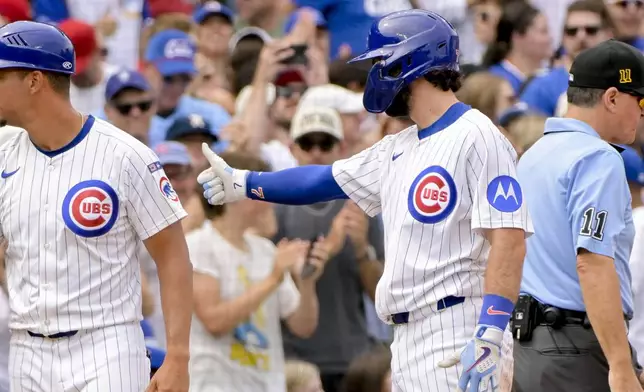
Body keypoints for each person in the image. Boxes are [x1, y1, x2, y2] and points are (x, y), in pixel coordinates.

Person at [197, 9, 531, 392]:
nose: (375, 74)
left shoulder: (477, 135)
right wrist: (245, 182)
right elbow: (323, 179)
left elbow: (508, 240)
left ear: (411, 62)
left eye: (380, 63)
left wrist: (490, 332)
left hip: (458, 326)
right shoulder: (399, 146)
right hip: (406, 339)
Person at [0, 21, 192, 391]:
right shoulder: (4, 151)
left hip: (105, 346)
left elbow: (173, 258)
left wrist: (179, 357)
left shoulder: (125, 155)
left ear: (34, 81)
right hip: (27, 349)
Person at [513, 39, 644, 392]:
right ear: (613, 98)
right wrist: (619, 365)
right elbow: (592, 262)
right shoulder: (598, 158)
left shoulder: (534, 154)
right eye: (641, 101)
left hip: (526, 348)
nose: (643, 113)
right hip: (574, 346)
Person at [188, 152, 327, 392]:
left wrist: (307, 282)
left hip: (267, 384)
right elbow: (214, 321)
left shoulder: (265, 250)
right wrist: (273, 278)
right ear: (234, 194)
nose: (270, 199)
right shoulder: (198, 245)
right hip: (214, 385)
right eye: (257, 190)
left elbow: (303, 327)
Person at [274, 105, 385, 392]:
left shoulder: (361, 205)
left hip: (352, 357)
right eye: (306, 143)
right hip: (293, 362)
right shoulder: (275, 208)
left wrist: (361, 249)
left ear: (341, 147)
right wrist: (330, 247)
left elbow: (381, 297)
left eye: (325, 143)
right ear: (292, 148)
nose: (316, 152)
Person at [520, 0, 612, 117]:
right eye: (572, 31)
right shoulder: (542, 87)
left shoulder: (626, 80)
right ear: (563, 37)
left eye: (591, 30)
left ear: (609, 34)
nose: (581, 37)